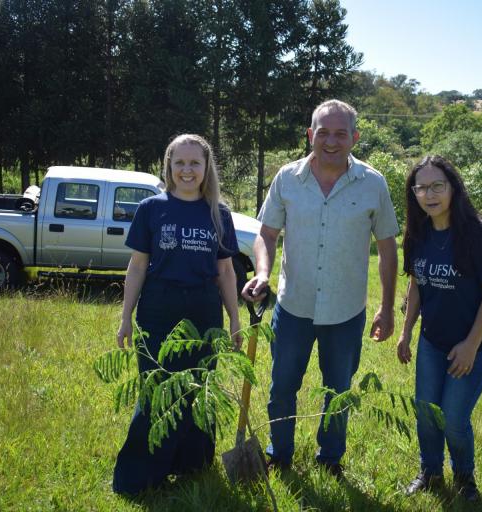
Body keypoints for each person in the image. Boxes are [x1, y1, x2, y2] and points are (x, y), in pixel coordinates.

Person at [242, 99, 399, 478]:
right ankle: (279, 453)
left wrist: (388, 307)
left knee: (338, 391)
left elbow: (388, 247)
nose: (331, 141)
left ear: (354, 137)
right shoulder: (287, 178)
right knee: (282, 387)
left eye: (340, 133)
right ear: (310, 135)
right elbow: (266, 233)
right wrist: (262, 272)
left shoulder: (373, 183)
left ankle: (330, 459)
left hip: (345, 312)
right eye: (323, 132)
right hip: (292, 306)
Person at [113, 134, 242, 495]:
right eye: (179, 162)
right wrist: (126, 317)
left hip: (203, 309)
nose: (187, 170)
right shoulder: (152, 209)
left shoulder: (219, 213)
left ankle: (192, 465)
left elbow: (226, 273)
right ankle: (140, 477)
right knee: (156, 388)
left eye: (195, 163)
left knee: (198, 388)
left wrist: (233, 320)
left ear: (206, 168)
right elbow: (137, 267)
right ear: (169, 165)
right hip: (159, 308)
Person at [396, 155, 482, 502]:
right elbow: (416, 285)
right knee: (427, 411)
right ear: (414, 194)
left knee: (454, 417)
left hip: (477, 342)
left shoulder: (475, 233)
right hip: (433, 341)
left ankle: (464, 479)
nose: (429, 194)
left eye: (437, 186)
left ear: (453, 189)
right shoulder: (418, 233)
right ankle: (429, 473)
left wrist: (471, 344)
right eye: (421, 188)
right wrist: (406, 332)